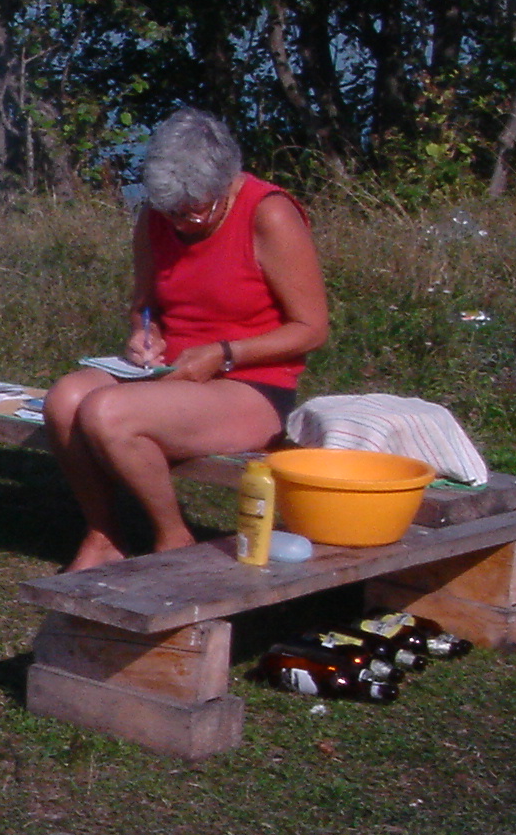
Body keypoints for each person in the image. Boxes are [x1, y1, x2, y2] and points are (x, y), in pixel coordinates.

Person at [43, 108, 329, 571]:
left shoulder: (268, 213)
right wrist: (144, 333)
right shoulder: (156, 217)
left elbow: (312, 328)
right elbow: (145, 304)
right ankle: (104, 533)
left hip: (251, 383)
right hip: (171, 372)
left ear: (225, 183)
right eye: (173, 211)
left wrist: (224, 354)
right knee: (64, 399)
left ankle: (173, 539)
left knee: (106, 412)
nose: (183, 221)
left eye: (197, 209)